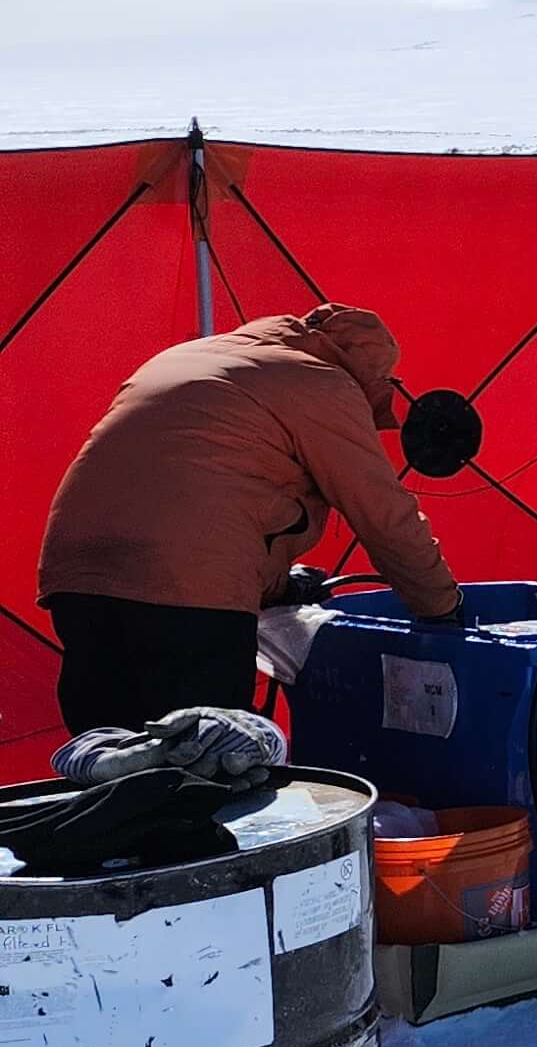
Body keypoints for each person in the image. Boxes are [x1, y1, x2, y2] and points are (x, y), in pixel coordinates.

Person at [37, 304, 463, 731]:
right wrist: (443, 608)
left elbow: (208, 496)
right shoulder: (323, 382)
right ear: (369, 378)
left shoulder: (189, 356)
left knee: (106, 749)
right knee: (207, 754)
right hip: (189, 594)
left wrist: (280, 587)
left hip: (79, 577)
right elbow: (383, 514)